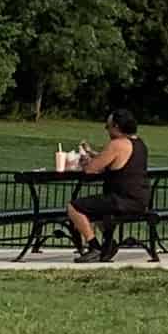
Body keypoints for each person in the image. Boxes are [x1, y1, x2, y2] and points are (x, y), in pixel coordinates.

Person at [64, 108, 153, 253]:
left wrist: (85, 161)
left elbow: (91, 169)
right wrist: (93, 154)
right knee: (97, 207)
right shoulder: (139, 144)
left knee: (74, 207)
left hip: (122, 200)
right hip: (140, 199)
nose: (107, 130)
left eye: (108, 126)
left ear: (116, 127)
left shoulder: (117, 144)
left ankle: (94, 247)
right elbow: (116, 161)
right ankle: (108, 243)